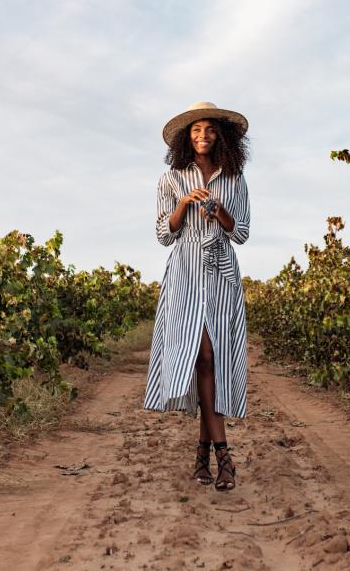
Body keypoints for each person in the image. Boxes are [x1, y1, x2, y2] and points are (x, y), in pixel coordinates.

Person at [142, 101, 251, 491]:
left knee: (215, 359)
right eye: (195, 131)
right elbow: (162, 233)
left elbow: (241, 233)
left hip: (221, 273)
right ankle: (224, 457)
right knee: (202, 354)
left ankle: (204, 455)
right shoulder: (171, 178)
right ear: (186, 138)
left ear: (220, 135)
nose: (202, 136)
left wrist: (220, 212)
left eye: (209, 130)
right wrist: (184, 204)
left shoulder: (235, 179)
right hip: (186, 272)